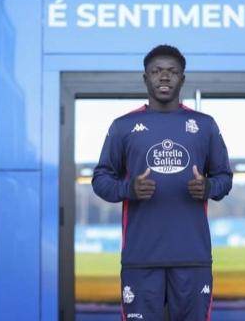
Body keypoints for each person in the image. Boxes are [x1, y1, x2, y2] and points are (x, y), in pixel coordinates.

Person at [92, 45, 233, 320]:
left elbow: (224, 178)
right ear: (145, 78)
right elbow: (100, 180)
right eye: (156, 71)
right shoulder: (123, 126)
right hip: (140, 259)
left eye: (172, 71)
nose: (164, 77)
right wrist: (128, 189)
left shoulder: (204, 125)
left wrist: (208, 187)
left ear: (183, 78)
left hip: (193, 258)